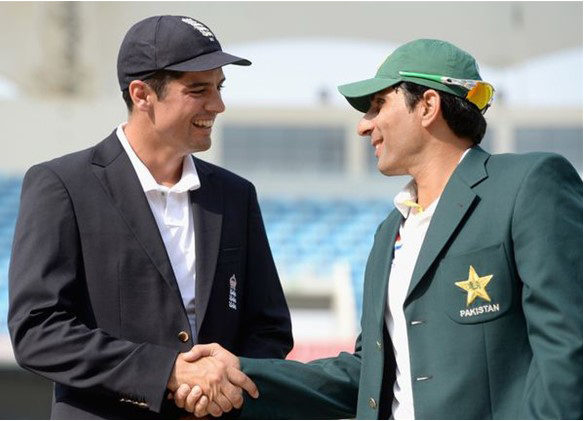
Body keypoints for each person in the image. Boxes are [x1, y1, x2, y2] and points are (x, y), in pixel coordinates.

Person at [175, 39, 583, 419]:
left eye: (376, 105)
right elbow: (366, 375)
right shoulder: (389, 233)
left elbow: (569, 347)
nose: (363, 125)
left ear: (427, 105)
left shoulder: (529, 184)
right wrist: (240, 371)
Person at [8, 15, 293, 419]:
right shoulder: (61, 185)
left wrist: (226, 381)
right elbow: (38, 332)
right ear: (142, 94)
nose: (218, 105)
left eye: (219, 87)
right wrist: (168, 374)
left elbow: (270, 328)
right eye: (199, 89)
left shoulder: (236, 195)